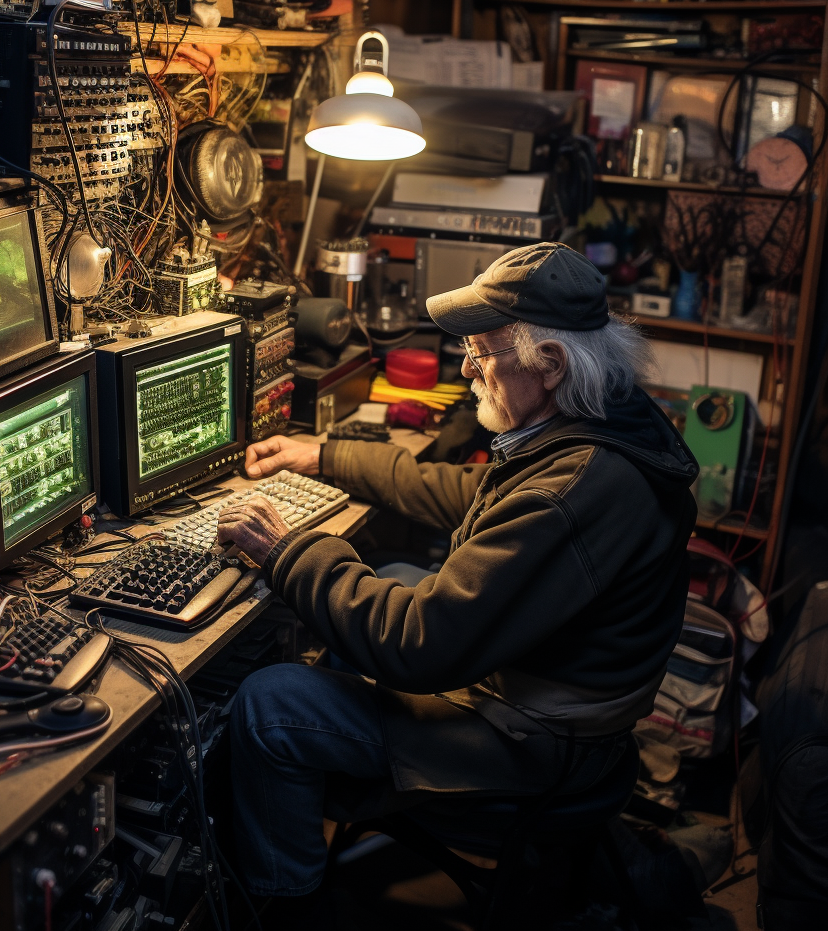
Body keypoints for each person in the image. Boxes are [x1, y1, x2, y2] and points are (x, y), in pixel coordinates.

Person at [216, 243, 699, 925]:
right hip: (566, 711)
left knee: (271, 704)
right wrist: (325, 454)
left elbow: (419, 645)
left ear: (550, 363)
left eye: (481, 350)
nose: (466, 367)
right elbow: (469, 492)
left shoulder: (575, 489)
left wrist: (290, 550)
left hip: (535, 743)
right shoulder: (601, 424)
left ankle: (285, 908)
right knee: (392, 574)